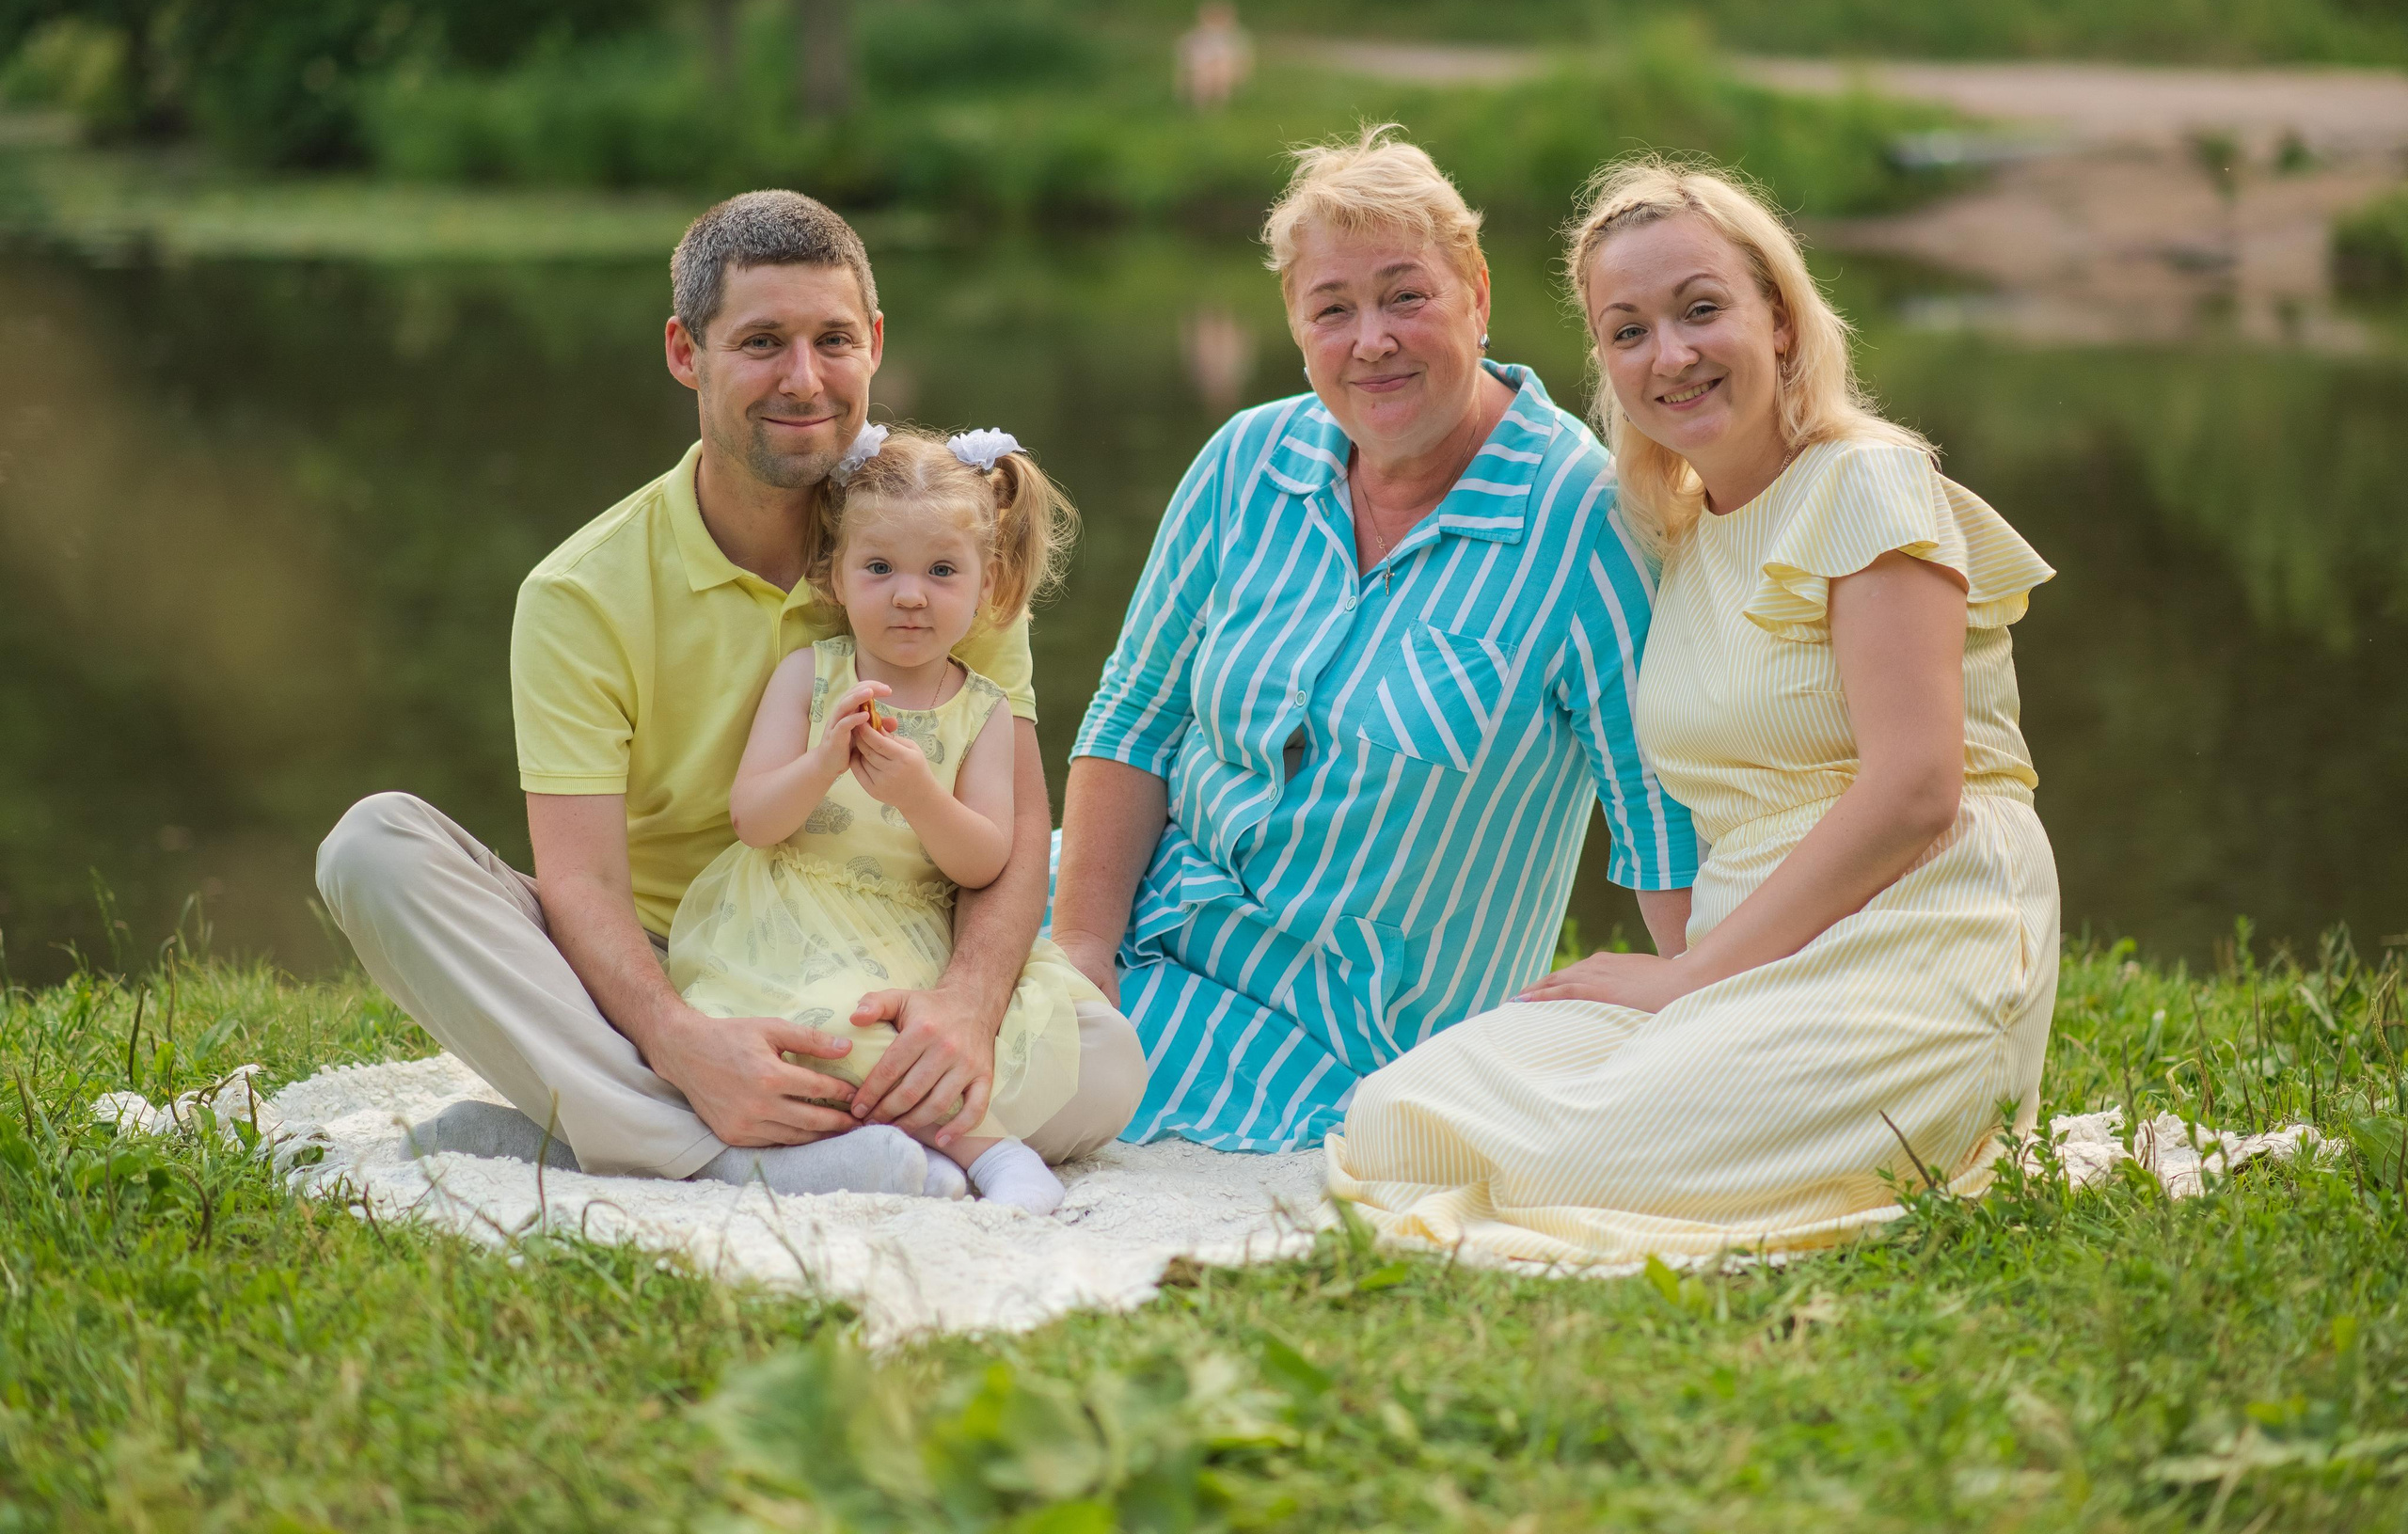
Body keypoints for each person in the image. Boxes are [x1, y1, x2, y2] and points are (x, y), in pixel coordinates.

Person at [314, 190, 1147, 1195]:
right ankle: (713, 1126)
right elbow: (580, 885)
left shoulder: (938, 550)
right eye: (761, 341)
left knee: (1101, 1067)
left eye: (832, 339)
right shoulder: (580, 592)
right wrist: (679, 1036)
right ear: (684, 352)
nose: (803, 380)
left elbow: (1009, 837)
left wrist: (966, 1011)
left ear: (874, 342)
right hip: (667, 959)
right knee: (373, 850)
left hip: (887, 954)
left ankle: (614, 1125)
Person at [1326, 157, 2061, 1265]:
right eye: (1627, 331)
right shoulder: (1682, 532)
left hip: (1917, 934)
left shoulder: (1865, 481)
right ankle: (1693, 1093)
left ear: (1777, 317)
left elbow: (1916, 790)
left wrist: (1683, 981)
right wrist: (1690, 984)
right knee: (1401, 1111)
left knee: (1562, 1153)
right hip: (1751, 962)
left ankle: (1855, 1112)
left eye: (1700, 309)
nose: (1668, 356)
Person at [1049, 127, 1700, 1152]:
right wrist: (1078, 951)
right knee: (890, 916)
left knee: (939, 1058)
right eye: (1333, 309)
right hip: (1140, 926)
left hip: (1332, 1036)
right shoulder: (1243, 461)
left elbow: (1658, 816)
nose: (1372, 340)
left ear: (1476, 293)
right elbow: (1134, 719)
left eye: (1406, 295)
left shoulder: (1588, 522)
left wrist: (1704, 1000)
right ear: (1296, 326)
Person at [668, 425, 1102, 1213]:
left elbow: (983, 859)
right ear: (834, 576)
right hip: (793, 919)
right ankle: (989, 1153)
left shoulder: (983, 711)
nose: (909, 595)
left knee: (1098, 1058)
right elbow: (754, 820)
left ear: (987, 585)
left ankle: (872, 1149)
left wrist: (919, 795)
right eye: (880, 568)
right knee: (840, 1026)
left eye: (942, 571)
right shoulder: (809, 675)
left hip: (914, 932)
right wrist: (821, 763)